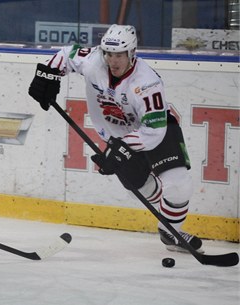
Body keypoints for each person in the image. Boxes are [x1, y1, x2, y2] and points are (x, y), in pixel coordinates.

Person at [28, 24, 202, 253]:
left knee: (179, 185)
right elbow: (66, 55)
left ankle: (170, 232)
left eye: (119, 54)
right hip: (116, 134)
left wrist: (122, 148)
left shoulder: (147, 83)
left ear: (132, 53)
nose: (113, 60)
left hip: (157, 128)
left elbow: (153, 131)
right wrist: (48, 76)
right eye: (109, 54)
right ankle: (165, 212)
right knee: (140, 190)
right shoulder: (94, 61)